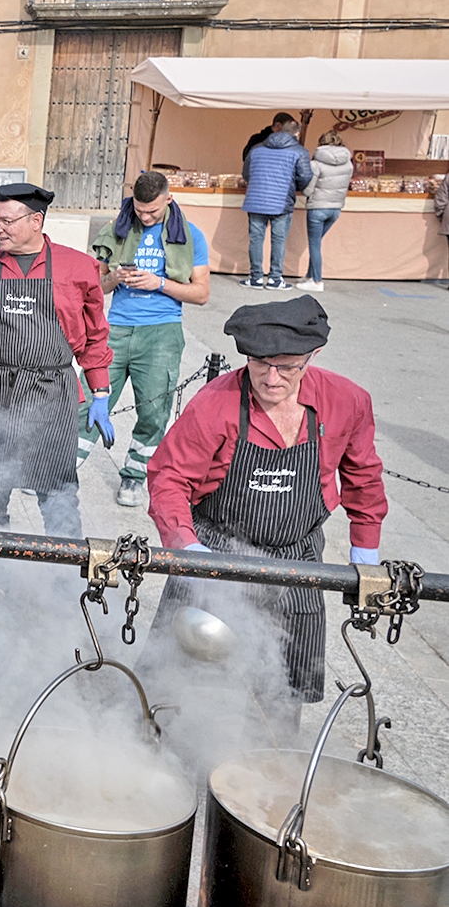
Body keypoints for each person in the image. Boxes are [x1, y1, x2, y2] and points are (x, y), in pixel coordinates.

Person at [147, 295, 385, 709]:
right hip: (218, 549)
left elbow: (363, 478)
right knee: (177, 684)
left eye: (287, 366)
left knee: (281, 696)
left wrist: (366, 551)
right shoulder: (215, 404)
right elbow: (168, 478)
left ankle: (270, 765)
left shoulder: (347, 402)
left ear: (311, 357)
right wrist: (188, 553)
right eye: (260, 364)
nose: (272, 378)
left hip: (298, 557)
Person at [0, 183, 113, 538]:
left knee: (57, 492)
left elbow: (94, 336)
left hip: (51, 394)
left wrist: (100, 392)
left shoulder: (79, 268)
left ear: (36, 220)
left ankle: (64, 582)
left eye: (7, 221)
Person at [82, 171, 212, 506]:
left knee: (154, 412)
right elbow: (94, 286)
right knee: (86, 401)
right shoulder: (116, 229)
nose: (145, 216)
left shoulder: (190, 235)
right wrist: (114, 277)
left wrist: (159, 284)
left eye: (152, 211)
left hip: (162, 332)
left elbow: (201, 293)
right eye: (139, 210)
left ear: (169, 199)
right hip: (115, 328)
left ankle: (133, 477)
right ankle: (61, 470)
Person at [240, 112, 313, 290]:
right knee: (278, 240)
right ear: (295, 134)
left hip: (256, 200)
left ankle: (256, 277)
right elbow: (305, 177)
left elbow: (246, 174)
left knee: (256, 239)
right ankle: (274, 278)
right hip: (282, 201)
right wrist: (295, 187)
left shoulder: (256, 148)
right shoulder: (299, 151)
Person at [298, 131, 351, 291]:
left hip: (317, 208)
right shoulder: (348, 164)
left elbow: (308, 190)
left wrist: (304, 191)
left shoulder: (316, 164)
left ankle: (317, 281)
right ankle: (309, 276)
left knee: (314, 244)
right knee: (317, 243)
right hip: (335, 209)